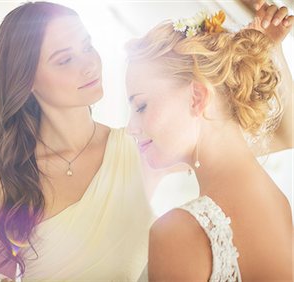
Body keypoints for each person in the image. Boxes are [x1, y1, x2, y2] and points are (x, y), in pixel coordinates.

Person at [0, 2, 153, 280]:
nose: (90, 64)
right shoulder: (1, 185)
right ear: (26, 79)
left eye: (87, 46)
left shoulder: (140, 147)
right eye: (65, 59)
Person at [125, 4, 293, 281]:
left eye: (141, 106)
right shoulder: (276, 202)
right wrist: (269, 50)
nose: (131, 127)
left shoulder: (180, 232)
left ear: (197, 97)